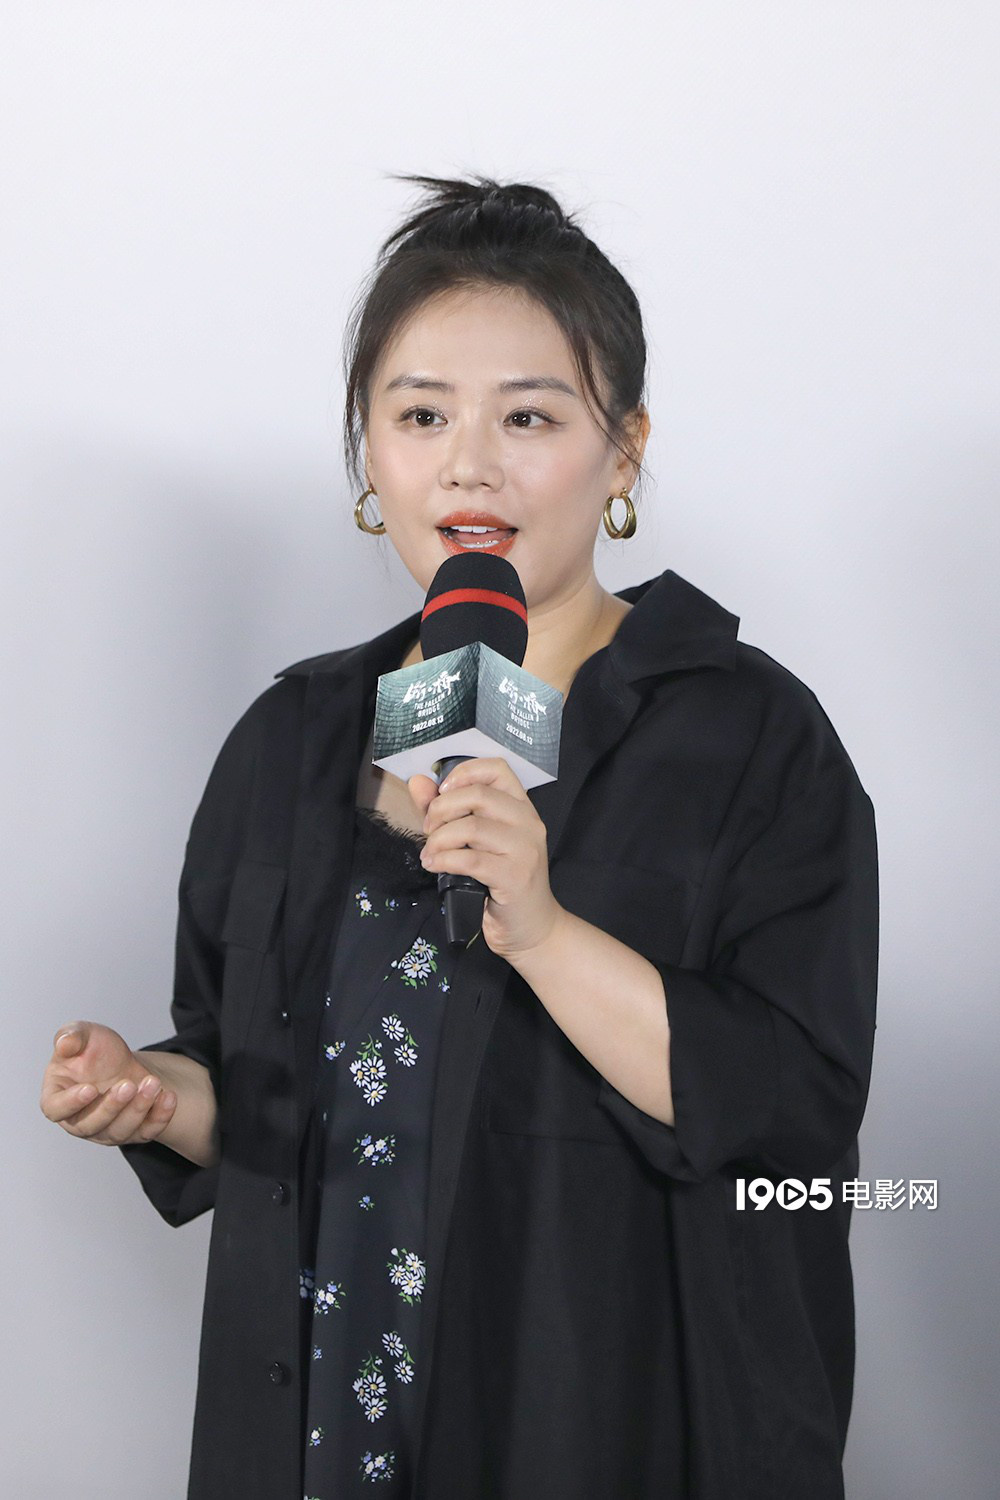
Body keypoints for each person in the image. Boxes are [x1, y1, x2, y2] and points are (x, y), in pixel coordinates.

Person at [40, 174, 879, 1500]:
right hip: (323, 1424)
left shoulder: (748, 737)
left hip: (610, 1421)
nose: (469, 465)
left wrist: (540, 931)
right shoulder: (294, 737)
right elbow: (269, 1086)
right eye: (421, 414)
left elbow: (795, 1114)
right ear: (368, 455)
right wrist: (157, 1094)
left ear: (624, 452)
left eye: (528, 416)